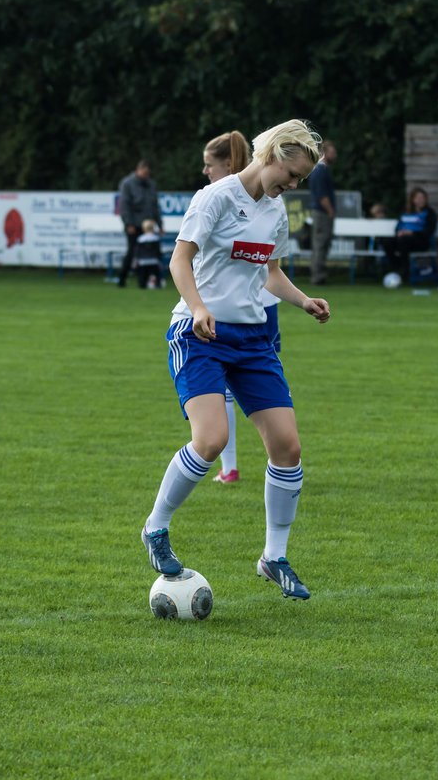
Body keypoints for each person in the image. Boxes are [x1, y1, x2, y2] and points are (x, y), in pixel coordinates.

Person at [141, 119, 330, 601]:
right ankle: (156, 528)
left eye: (301, 180)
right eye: (291, 173)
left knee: (287, 447)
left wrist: (303, 300)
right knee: (211, 439)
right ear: (269, 155)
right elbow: (179, 261)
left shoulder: (275, 212)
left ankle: (274, 557)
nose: (292, 185)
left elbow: (270, 273)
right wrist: (200, 307)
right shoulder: (216, 198)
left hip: (251, 342)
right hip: (199, 333)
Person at [199, 130, 279, 486]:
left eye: (208, 165)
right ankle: (234, 465)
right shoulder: (218, 197)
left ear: (228, 164)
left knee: (235, 392)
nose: (206, 172)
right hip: (258, 309)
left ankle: (233, 467)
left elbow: (271, 270)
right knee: (228, 397)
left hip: (247, 314)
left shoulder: (264, 203)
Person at [117, 159, 161, 288]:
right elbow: (124, 206)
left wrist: (160, 224)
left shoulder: (151, 185)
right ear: (138, 170)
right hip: (134, 225)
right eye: (144, 172)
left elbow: (155, 206)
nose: (146, 176)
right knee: (132, 253)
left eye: (148, 173)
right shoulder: (127, 184)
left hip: (148, 226)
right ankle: (122, 279)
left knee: (149, 255)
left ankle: (145, 281)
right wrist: (128, 223)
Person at [381, 188, 438, 277]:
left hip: (420, 241)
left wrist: (412, 233)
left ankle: (405, 270)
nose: (421, 200)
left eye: (423, 198)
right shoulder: (405, 212)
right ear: (412, 199)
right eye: (418, 198)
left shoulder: (430, 213)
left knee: (404, 240)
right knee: (387, 241)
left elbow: (429, 231)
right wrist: (399, 232)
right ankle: (397, 267)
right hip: (403, 240)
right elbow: (397, 227)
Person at [306, 140, 337, 286]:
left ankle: (320, 275)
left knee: (322, 243)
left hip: (321, 212)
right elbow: (322, 195)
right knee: (320, 243)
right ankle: (318, 276)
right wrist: (330, 211)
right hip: (322, 213)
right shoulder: (320, 171)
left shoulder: (321, 170)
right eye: (332, 151)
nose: (335, 154)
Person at [134, 219, 165, 289]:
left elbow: (137, 251)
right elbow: (158, 251)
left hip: (142, 262)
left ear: (143, 228)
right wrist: (159, 260)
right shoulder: (156, 238)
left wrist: (136, 260)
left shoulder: (140, 239)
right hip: (154, 261)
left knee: (142, 277)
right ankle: (157, 284)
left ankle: (142, 285)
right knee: (156, 275)